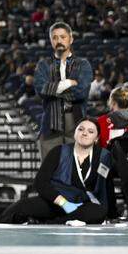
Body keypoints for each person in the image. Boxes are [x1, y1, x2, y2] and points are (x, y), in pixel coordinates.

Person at [0, 118, 128, 224]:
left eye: (90, 131)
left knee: (99, 212)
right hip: (56, 201)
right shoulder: (58, 151)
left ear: (96, 138)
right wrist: (63, 203)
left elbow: (116, 181)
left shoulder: (104, 156)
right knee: (20, 207)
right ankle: (54, 219)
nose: (85, 133)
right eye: (81, 129)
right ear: (75, 133)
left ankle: (50, 223)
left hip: (82, 205)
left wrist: (114, 212)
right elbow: (41, 182)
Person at [33, 22, 92, 160]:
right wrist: (68, 83)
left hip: (76, 122)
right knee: (50, 172)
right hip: (50, 124)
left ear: (71, 39)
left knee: (76, 172)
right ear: (51, 41)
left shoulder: (83, 64)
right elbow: (41, 90)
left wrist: (53, 89)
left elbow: (81, 92)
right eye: (55, 37)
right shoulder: (43, 65)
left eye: (63, 37)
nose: (59, 41)